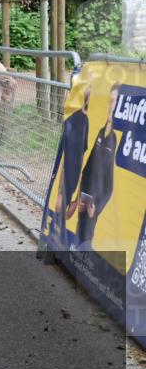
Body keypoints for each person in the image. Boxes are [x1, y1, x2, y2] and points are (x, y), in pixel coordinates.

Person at [74, 82, 120, 251]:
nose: (110, 105)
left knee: (86, 236)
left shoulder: (114, 138)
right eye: (110, 100)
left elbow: (110, 185)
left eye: (114, 101)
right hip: (84, 197)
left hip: (95, 204)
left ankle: (83, 262)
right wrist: (79, 195)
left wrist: (97, 207)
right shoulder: (100, 131)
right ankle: (74, 258)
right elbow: (88, 167)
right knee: (79, 230)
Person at [49, 80, 91, 244]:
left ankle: (57, 231)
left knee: (63, 197)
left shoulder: (82, 120)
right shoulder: (78, 119)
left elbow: (82, 152)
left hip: (73, 169)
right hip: (70, 168)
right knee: (62, 197)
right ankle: (56, 234)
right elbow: (74, 152)